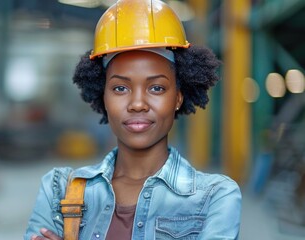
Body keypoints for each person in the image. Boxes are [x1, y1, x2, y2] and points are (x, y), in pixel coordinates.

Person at [24, 0, 242, 239]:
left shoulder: (215, 197)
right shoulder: (58, 190)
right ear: (103, 97)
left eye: (157, 88)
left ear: (178, 98)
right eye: (120, 88)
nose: (138, 103)